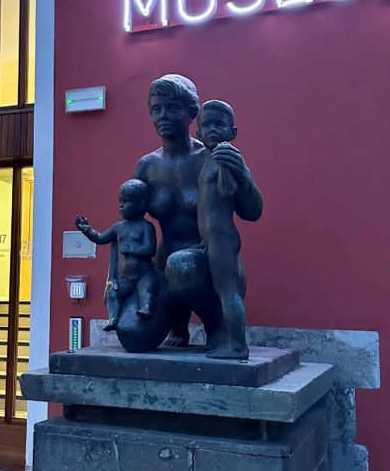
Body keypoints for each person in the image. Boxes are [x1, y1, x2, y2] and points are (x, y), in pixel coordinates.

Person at [134, 74, 262, 348]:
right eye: (156, 109)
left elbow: (253, 212)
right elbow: (129, 222)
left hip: (208, 263)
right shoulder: (147, 166)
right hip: (164, 266)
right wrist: (118, 278)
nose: (163, 116)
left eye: (172, 108)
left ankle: (216, 325)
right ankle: (176, 325)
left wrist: (243, 175)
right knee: (134, 335)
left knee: (181, 266)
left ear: (191, 113)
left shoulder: (214, 155)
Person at [196, 99, 258, 359]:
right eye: (207, 125)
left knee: (227, 290)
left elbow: (233, 193)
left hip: (221, 237)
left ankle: (237, 345)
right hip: (210, 239)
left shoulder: (226, 156)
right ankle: (233, 342)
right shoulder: (209, 158)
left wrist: (239, 172)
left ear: (232, 132)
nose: (212, 130)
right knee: (222, 289)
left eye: (219, 125)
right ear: (198, 133)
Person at [75, 179, 158, 330]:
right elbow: (100, 238)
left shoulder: (146, 226)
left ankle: (146, 309)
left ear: (140, 205)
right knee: (112, 293)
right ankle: (113, 318)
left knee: (146, 291)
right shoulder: (118, 227)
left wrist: (131, 248)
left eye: (126, 202)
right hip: (125, 278)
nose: (121, 206)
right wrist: (87, 229)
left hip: (144, 275)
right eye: (120, 201)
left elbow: (150, 250)